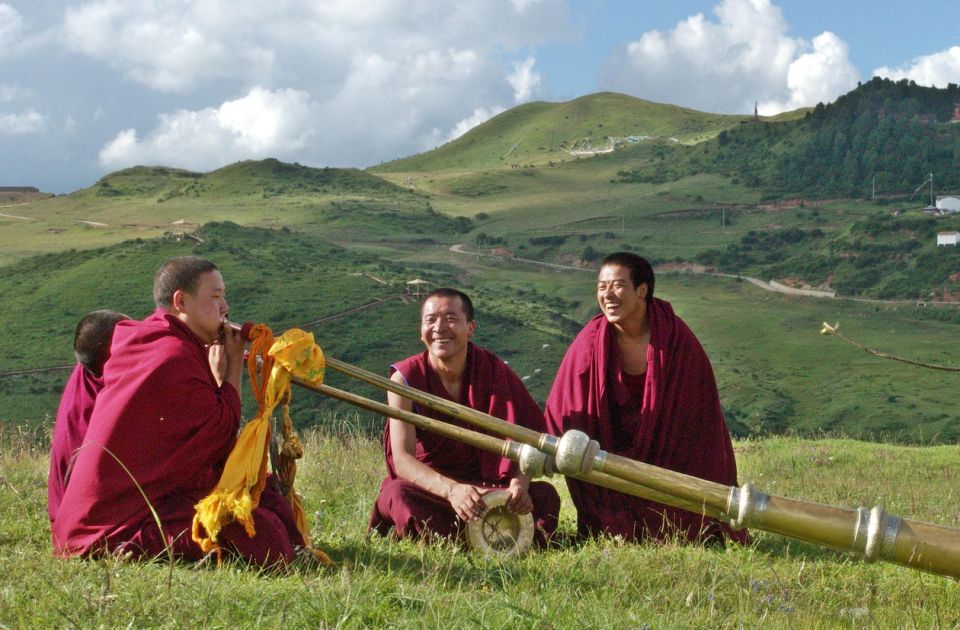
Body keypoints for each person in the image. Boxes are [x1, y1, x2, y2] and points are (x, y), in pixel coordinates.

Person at [51, 256, 304, 567]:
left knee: (263, 500)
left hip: (134, 502)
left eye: (223, 296)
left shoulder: (157, 340)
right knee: (261, 535)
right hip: (109, 524)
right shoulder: (170, 355)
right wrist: (233, 368)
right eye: (215, 297)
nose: (225, 307)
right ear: (181, 301)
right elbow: (220, 432)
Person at [545, 252, 747, 544]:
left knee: (682, 524)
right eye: (602, 287)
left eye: (617, 285)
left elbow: (699, 417)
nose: (608, 295)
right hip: (608, 465)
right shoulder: (590, 341)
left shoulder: (675, 340)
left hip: (667, 463)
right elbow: (564, 405)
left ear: (642, 290)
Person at [369, 288, 560, 546]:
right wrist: (452, 490)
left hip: (491, 490)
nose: (439, 327)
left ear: (470, 328)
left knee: (545, 496)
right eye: (430, 320)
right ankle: (495, 539)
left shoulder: (494, 372)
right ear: (420, 330)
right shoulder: (405, 379)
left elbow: (529, 441)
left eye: (450, 318)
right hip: (436, 490)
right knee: (397, 494)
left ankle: (463, 537)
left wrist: (519, 485)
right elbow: (402, 460)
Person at [47, 309, 130, 524]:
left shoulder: (90, 367)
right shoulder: (111, 402)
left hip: (64, 512)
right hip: (92, 519)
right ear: (116, 359)